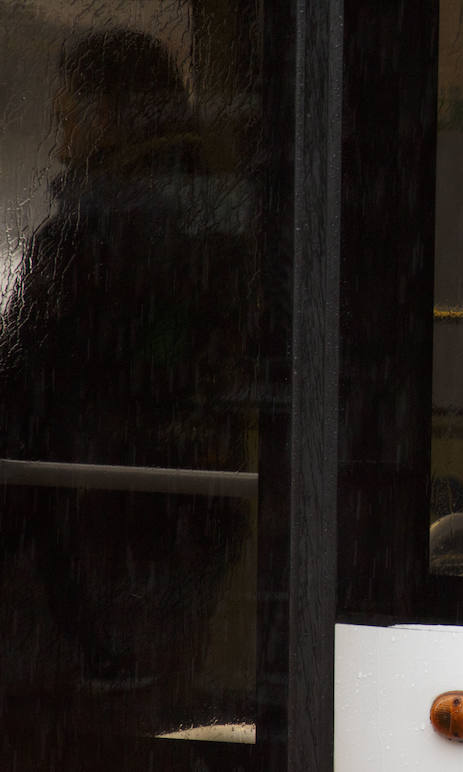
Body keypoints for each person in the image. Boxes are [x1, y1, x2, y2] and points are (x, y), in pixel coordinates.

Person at [0, 28, 255, 698]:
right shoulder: (216, 200)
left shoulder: (97, 225)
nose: (60, 143)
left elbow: (36, 356)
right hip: (181, 487)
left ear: (110, 117)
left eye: (69, 120)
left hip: (92, 476)